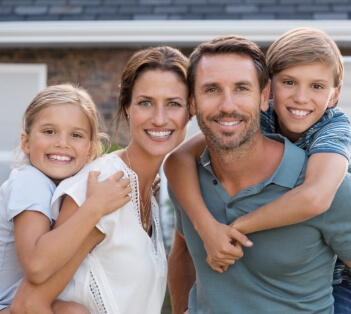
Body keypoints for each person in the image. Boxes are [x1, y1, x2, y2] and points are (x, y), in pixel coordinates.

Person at [165, 27, 351, 312]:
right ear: (271, 91)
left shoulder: (332, 146)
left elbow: (316, 197)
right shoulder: (197, 168)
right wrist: (206, 227)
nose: (301, 98)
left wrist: (233, 229)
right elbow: (176, 160)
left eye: (241, 88)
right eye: (212, 89)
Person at [10, 46, 191, 314]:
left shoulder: (146, 191)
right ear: (127, 107)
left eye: (174, 103)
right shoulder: (103, 183)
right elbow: (28, 304)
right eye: (145, 102)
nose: (159, 118)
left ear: (191, 110)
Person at [0, 84, 132, 313]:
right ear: (26, 143)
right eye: (49, 131)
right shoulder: (30, 181)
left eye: (76, 135)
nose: (62, 143)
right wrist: (94, 208)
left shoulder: (61, 187)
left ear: (89, 152)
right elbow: (36, 265)